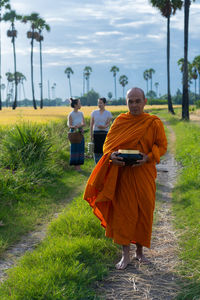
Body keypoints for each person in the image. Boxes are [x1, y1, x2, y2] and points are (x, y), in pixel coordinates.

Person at [84, 87, 167, 269]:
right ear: (126, 103)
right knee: (124, 213)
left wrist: (148, 157)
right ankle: (125, 255)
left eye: (138, 101)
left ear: (145, 101)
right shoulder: (120, 122)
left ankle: (139, 253)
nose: (134, 105)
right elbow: (107, 147)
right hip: (123, 176)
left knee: (144, 212)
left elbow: (162, 146)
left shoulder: (153, 123)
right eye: (131, 101)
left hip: (144, 174)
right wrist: (112, 157)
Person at [90, 97, 112, 164]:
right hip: (96, 133)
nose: (99, 104)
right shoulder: (94, 112)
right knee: (96, 151)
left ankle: (103, 164)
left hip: (104, 134)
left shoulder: (108, 113)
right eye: (98, 103)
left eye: (101, 103)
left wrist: (103, 127)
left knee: (104, 150)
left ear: (105, 104)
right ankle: (97, 165)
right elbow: (91, 125)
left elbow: (108, 124)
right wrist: (91, 135)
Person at [68, 98, 86, 172]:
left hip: (80, 132)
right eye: (79, 103)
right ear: (75, 105)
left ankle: (79, 166)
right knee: (75, 149)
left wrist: (80, 126)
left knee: (80, 148)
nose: (80, 105)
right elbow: (69, 125)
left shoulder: (81, 113)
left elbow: (84, 123)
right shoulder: (71, 114)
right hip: (74, 133)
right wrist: (75, 127)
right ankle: (76, 167)